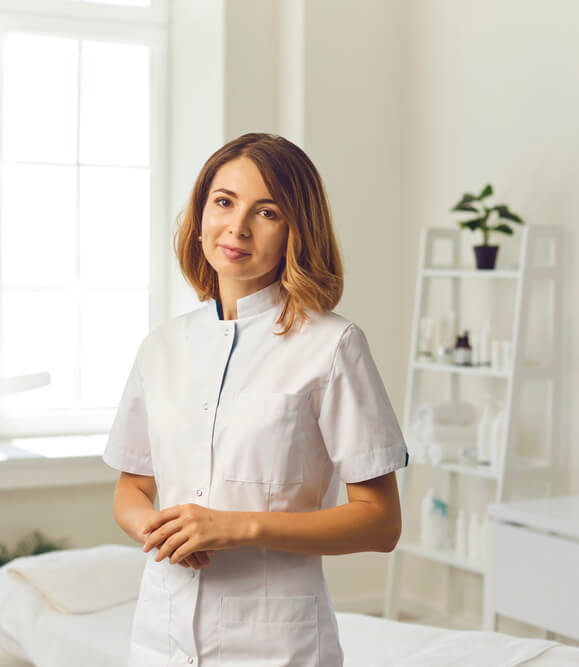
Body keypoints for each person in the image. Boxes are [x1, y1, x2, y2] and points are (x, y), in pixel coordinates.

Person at [103, 132, 408, 666]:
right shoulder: (163, 346)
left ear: (296, 228)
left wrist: (235, 526)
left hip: (276, 645)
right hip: (161, 635)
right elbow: (131, 488)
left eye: (266, 212)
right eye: (224, 202)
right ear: (200, 214)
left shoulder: (333, 345)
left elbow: (381, 522)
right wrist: (156, 528)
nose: (237, 227)